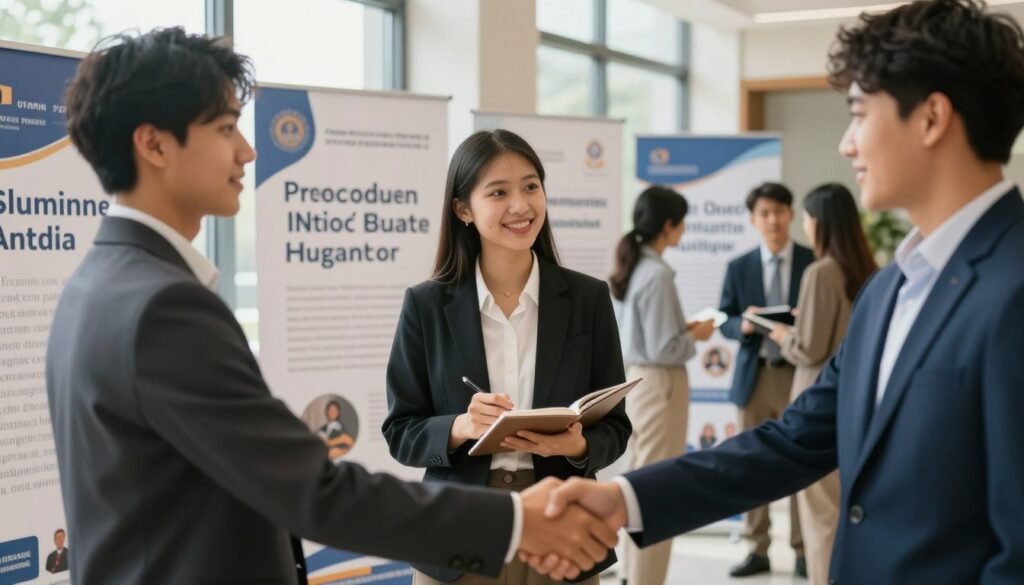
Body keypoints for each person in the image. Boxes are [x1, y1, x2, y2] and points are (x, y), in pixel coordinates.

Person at [46, 29, 616, 585]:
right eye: (225, 128)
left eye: (531, 187)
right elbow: (312, 490)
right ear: (153, 143)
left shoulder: (95, 286)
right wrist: (515, 522)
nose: (247, 149)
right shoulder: (165, 306)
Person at [530, 2, 1024, 584]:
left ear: (932, 117)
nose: (847, 144)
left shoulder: (1013, 290)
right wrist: (627, 500)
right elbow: (794, 443)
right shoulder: (889, 289)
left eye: (860, 114)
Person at [383, 129, 632, 585]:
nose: (521, 205)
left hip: (562, 523)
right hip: (460, 528)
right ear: (463, 209)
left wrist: (576, 446)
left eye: (531, 186)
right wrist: (461, 426)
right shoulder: (426, 305)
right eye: (498, 192)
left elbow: (616, 427)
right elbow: (401, 431)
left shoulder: (587, 299)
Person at [766, 183, 877, 585]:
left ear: (820, 223)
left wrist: (781, 334)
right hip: (858, 400)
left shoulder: (820, 271)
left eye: (808, 218)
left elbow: (808, 349)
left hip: (816, 400)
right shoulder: (869, 268)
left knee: (821, 520)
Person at [607, 185, 713, 585]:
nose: (683, 230)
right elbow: (667, 347)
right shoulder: (658, 274)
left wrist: (681, 331)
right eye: (681, 222)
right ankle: (645, 579)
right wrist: (695, 336)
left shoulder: (634, 267)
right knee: (657, 488)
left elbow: (647, 337)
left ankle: (636, 575)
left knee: (640, 483)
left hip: (638, 381)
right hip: (661, 384)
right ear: (669, 226)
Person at [718, 181, 814, 577]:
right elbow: (725, 319)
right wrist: (744, 324)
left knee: (803, 462)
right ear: (753, 220)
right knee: (752, 463)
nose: (772, 220)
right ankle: (757, 548)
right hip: (755, 376)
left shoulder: (813, 261)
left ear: (791, 214)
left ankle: (804, 548)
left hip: (799, 376)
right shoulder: (739, 266)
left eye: (779, 211)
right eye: (764, 213)